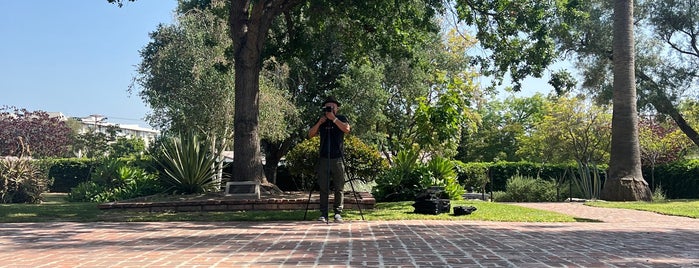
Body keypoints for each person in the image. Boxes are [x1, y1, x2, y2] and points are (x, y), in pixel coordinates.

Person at [308, 96, 351, 223]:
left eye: (333, 106)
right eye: (328, 106)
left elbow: (347, 129)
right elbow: (310, 134)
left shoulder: (341, 118)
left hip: (337, 157)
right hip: (323, 158)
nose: (331, 108)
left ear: (337, 108)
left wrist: (334, 119)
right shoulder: (322, 120)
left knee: (339, 187)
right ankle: (323, 213)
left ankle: (338, 213)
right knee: (323, 187)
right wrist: (320, 123)